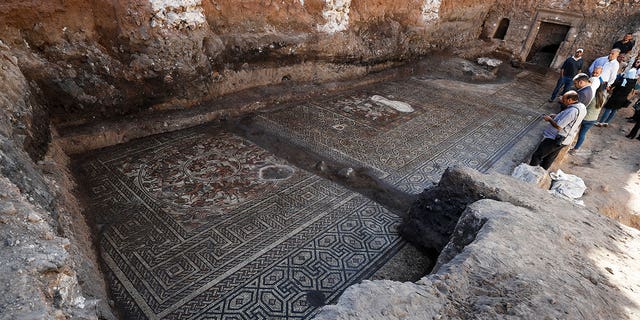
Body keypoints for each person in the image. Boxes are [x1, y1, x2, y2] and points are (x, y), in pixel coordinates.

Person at [530, 91, 586, 169]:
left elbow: (559, 126)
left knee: (538, 155)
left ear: (570, 100)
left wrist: (549, 119)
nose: (562, 101)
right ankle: (541, 171)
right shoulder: (581, 106)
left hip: (557, 138)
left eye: (564, 99)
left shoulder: (572, 111)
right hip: (565, 139)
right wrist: (557, 116)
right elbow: (570, 119)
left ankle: (529, 171)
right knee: (549, 158)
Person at [571, 75, 600, 153]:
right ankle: (576, 149)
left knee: (575, 131)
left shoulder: (591, 94)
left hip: (586, 117)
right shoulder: (602, 96)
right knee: (582, 134)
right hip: (593, 119)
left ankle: (570, 144)